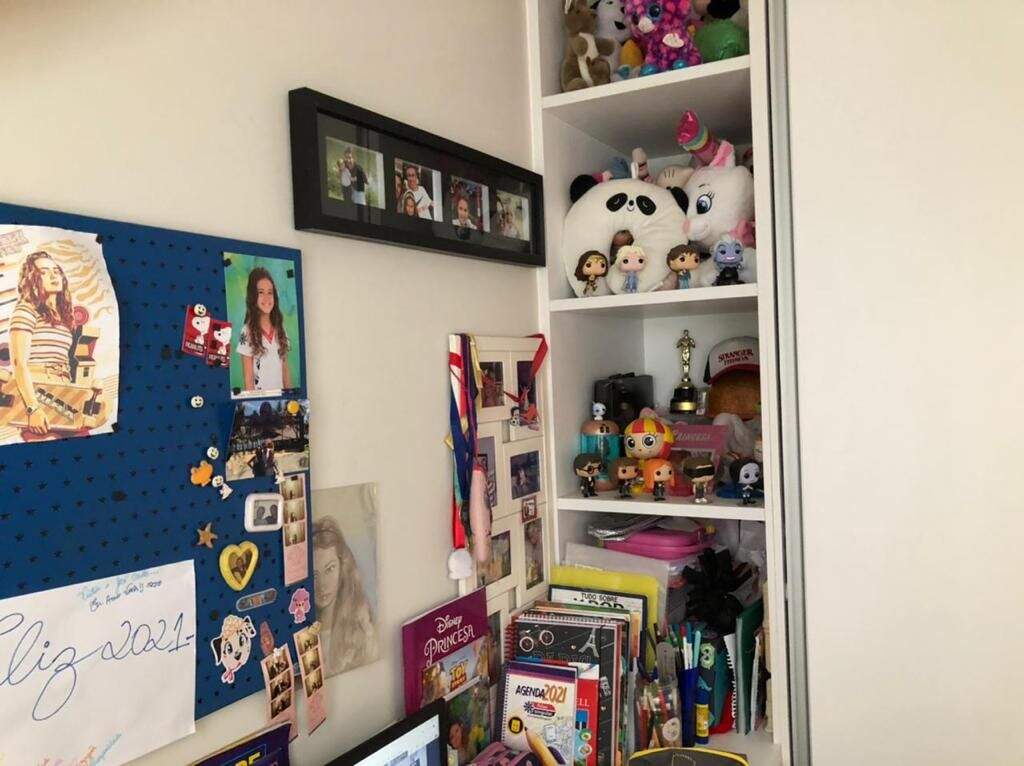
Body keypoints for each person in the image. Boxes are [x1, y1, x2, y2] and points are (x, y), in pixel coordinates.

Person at [7, 251, 76, 437]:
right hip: (36, 394)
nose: (54, 275)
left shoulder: (63, 319)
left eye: (56, 270)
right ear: (32, 279)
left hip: (63, 392)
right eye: (44, 272)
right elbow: (19, 364)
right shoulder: (26, 310)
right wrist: (33, 408)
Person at [312, 514, 379, 676]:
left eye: (330, 569)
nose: (322, 584)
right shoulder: (303, 635)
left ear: (342, 567)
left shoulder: (362, 633)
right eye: (314, 575)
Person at [237, 267, 292, 392]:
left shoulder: (281, 329)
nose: (267, 298)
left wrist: (290, 398)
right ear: (253, 296)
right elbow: (248, 379)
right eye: (261, 292)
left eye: (270, 292)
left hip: (281, 400)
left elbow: (285, 372)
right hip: (260, 401)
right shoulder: (247, 331)